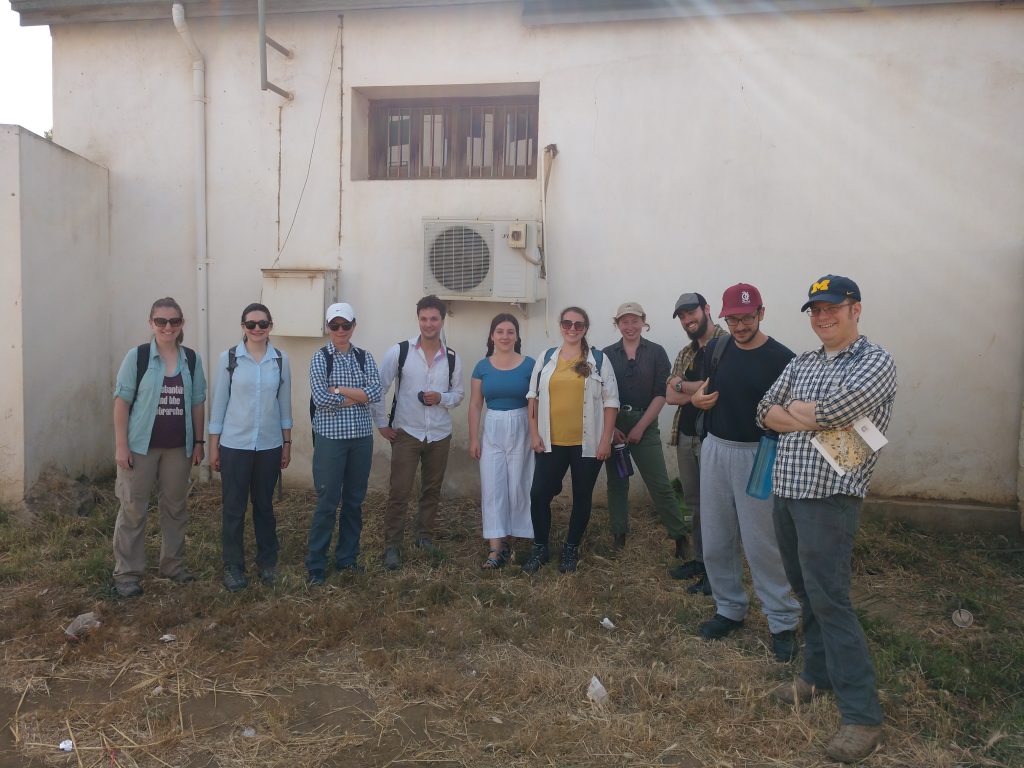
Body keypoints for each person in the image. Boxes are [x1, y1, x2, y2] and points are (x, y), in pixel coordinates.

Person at [757, 275, 896, 763]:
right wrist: (806, 415)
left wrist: (792, 412)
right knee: (806, 593)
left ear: (855, 309)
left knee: (831, 600)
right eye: (815, 310)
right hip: (788, 492)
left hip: (831, 497)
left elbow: (842, 409)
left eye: (832, 308)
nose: (822, 317)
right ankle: (815, 677)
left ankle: (862, 717)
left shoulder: (875, 361)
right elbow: (762, 409)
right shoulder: (803, 361)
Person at [689, 283, 801, 662]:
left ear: (761, 314)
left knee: (762, 543)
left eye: (747, 317)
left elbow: (795, 414)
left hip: (761, 454)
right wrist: (696, 399)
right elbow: (704, 390)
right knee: (717, 538)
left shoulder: (783, 359)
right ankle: (729, 609)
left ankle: (783, 621)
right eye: (733, 319)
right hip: (717, 450)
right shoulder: (717, 350)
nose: (740, 325)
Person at [111, 297, 207, 598]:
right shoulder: (137, 357)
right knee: (133, 509)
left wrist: (199, 443)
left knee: (176, 509)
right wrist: (121, 446)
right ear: (151, 324)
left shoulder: (191, 359)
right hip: (140, 448)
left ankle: (173, 566)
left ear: (182, 325)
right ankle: (127, 573)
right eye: (161, 321)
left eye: (174, 321)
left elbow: (197, 403)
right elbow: (121, 402)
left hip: (178, 449)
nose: (168, 327)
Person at [522, 306, 619, 574]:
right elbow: (533, 397)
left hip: (586, 444)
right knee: (539, 494)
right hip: (551, 442)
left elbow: (611, 402)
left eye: (578, 325)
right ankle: (540, 548)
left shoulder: (599, 359)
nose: (572, 329)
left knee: (582, 495)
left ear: (585, 328)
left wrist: (605, 440)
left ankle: (571, 548)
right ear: (560, 326)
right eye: (567, 324)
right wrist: (534, 433)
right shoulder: (546, 358)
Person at [372, 295, 464, 570]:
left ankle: (424, 537)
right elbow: (379, 387)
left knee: (431, 490)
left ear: (442, 321)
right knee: (399, 491)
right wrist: (381, 424)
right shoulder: (399, 352)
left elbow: (458, 394)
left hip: (439, 433)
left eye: (434, 319)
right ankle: (392, 547)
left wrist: (441, 398)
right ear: (418, 320)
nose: (428, 324)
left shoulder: (451, 357)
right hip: (407, 432)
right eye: (424, 318)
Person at [208, 303, 292, 592]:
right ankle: (233, 566)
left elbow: (284, 404)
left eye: (263, 324)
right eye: (251, 324)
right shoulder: (229, 358)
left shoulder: (280, 359)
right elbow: (219, 403)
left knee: (264, 506)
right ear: (242, 326)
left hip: (269, 444)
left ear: (271, 325)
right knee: (233, 508)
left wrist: (287, 442)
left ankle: (267, 563)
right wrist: (214, 446)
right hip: (235, 444)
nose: (257, 329)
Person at [306, 302, 382, 585]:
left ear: (354, 326)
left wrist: (337, 389)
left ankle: (347, 559)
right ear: (328, 327)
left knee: (354, 502)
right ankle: (316, 564)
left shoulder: (364, 357)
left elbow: (375, 392)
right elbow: (319, 399)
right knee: (326, 502)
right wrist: (357, 396)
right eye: (335, 325)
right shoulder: (319, 358)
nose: (340, 331)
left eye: (345, 325)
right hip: (331, 441)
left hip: (361, 439)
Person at [601, 302, 687, 555]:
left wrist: (640, 426)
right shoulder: (607, 354)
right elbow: (602, 394)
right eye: (624, 321)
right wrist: (612, 428)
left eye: (634, 321)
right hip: (614, 422)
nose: (630, 326)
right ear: (617, 324)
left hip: (645, 422)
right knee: (617, 482)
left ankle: (680, 537)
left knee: (659, 483)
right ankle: (619, 534)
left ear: (643, 322)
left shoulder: (656, 352)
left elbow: (661, 393)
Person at [665, 292, 729, 594]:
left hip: (715, 438)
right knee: (694, 504)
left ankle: (718, 572)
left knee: (716, 506)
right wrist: (697, 393)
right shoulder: (685, 352)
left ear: (706, 309)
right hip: (686, 435)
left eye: (691, 313)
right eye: (682, 316)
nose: (687, 320)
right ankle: (702, 561)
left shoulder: (728, 344)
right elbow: (669, 395)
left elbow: (721, 389)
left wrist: (684, 387)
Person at [468, 313, 536, 569]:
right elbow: (475, 405)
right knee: (493, 486)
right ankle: (496, 548)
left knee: (520, 484)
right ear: (492, 336)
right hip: (493, 426)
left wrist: (535, 435)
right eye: (500, 331)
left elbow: (535, 403)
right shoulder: (482, 367)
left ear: (517, 336)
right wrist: (474, 438)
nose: (505, 336)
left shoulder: (530, 365)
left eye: (510, 331)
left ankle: (518, 541)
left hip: (522, 425)